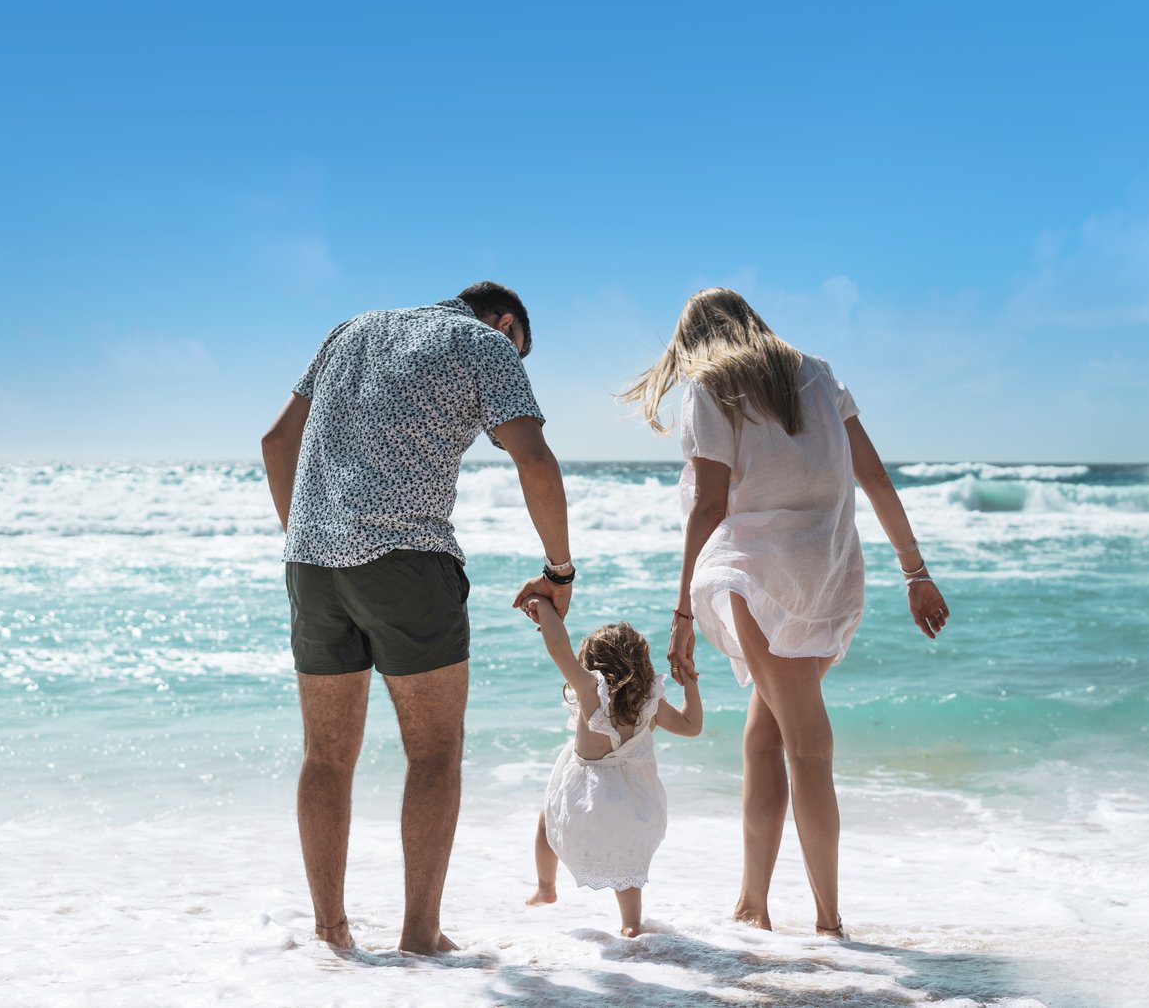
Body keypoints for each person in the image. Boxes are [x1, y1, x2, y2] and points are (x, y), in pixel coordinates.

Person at [260, 282, 577, 955]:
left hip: (312, 565)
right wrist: (559, 571)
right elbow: (534, 459)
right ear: (506, 322)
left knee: (326, 755)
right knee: (433, 752)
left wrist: (307, 537)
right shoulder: (485, 342)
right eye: (519, 349)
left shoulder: (350, 329)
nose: (515, 361)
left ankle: (331, 934)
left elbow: (276, 441)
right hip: (408, 560)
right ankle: (419, 936)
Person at [622, 287, 948, 938]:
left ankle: (829, 922)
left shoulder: (712, 385)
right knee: (764, 738)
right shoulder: (819, 375)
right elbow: (876, 478)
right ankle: (753, 905)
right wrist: (915, 571)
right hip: (830, 570)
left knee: (808, 744)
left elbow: (709, 505)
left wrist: (684, 612)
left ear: (694, 341)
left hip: (760, 574)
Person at [521, 596, 703, 937]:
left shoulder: (590, 692)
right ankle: (632, 924)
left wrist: (545, 610)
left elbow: (558, 648)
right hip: (635, 806)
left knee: (548, 821)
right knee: (627, 862)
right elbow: (692, 726)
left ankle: (546, 887)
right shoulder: (651, 704)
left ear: (593, 665)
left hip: (586, 803)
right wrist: (690, 678)